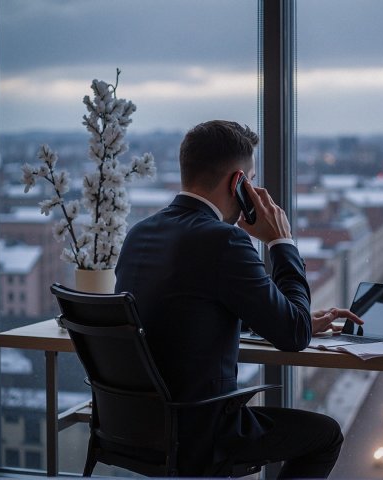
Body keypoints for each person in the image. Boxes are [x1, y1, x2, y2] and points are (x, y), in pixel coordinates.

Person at [115, 120, 362, 477]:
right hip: (202, 431)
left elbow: (184, 310)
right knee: (325, 436)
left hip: (136, 427)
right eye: (252, 178)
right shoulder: (223, 241)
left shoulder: (140, 233)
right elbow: (294, 336)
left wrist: (287, 313)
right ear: (238, 183)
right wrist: (281, 242)